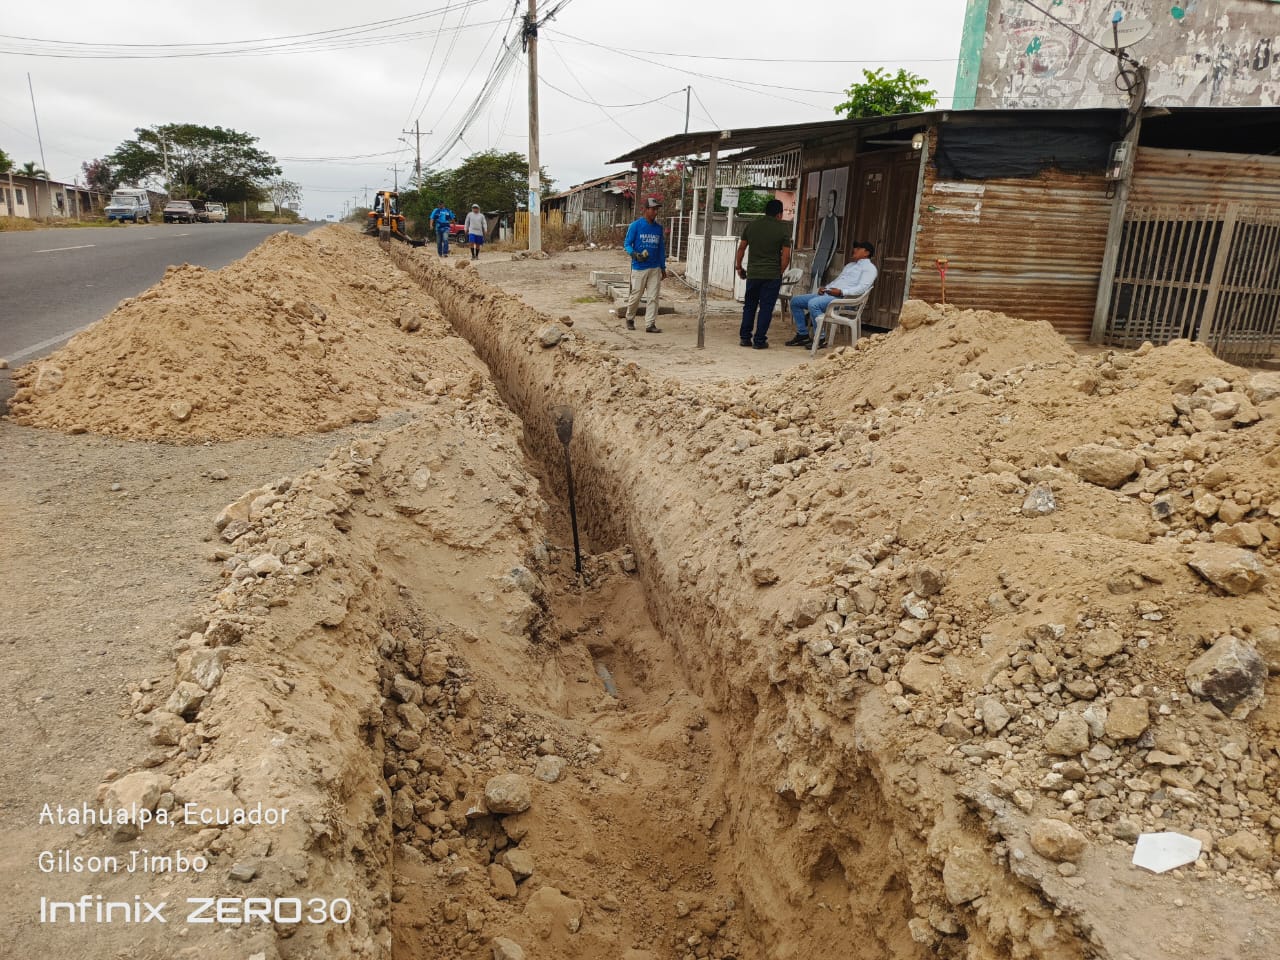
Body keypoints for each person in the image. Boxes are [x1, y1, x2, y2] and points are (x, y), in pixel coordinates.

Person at [787, 240, 877, 347]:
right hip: (830, 295)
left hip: (845, 300)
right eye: (855, 248)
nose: (854, 250)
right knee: (795, 301)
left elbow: (862, 288)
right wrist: (826, 288)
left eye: (858, 248)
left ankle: (820, 339)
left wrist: (841, 292)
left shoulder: (870, 269)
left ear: (866, 253)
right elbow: (837, 281)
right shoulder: (850, 265)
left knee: (813, 303)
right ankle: (803, 335)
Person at [734, 198, 792, 350]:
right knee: (766, 308)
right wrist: (779, 272)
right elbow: (786, 256)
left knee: (749, 306)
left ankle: (745, 338)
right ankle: (759, 341)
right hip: (772, 275)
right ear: (779, 214)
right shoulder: (783, 229)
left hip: (753, 274)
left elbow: (741, 248)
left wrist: (739, 267)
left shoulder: (752, 226)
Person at [622, 198, 667, 333]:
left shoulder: (658, 228)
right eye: (653, 209)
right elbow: (627, 244)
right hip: (639, 267)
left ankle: (650, 324)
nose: (655, 212)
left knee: (653, 297)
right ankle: (630, 318)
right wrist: (634, 254)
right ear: (646, 210)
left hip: (655, 267)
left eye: (656, 209)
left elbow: (661, 249)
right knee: (636, 295)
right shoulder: (635, 226)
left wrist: (663, 268)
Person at [810, 187, 841, 292]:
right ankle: (811, 294)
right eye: (829, 200)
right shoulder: (824, 220)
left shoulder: (835, 220)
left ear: (835, 202)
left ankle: (817, 294)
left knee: (820, 277)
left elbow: (835, 242)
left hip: (827, 253)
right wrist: (814, 257)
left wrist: (829, 259)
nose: (830, 203)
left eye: (832, 201)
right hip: (820, 252)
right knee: (813, 274)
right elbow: (819, 240)